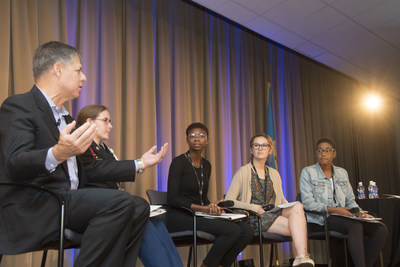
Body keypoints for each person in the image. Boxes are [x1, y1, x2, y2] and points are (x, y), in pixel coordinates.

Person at [0, 41, 164, 267]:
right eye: (78, 70)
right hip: (39, 203)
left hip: (69, 202)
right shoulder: (20, 105)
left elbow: (91, 169)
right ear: (58, 70)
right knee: (120, 203)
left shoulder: (67, 119)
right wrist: (56, 153)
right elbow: (14, 162)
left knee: (138, 206)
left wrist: (139, 163)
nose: (84, 77)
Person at [76, 104, 182, 267]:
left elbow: (114, 171)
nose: (110, 126)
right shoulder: (80, 145)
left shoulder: (106, 150)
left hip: (114, 206)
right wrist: (139, 164)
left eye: (110, 121)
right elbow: (96, 171)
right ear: (89, 122)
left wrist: (141, 164)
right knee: (142, 224)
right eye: (106, 121)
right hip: (95, 210)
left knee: (157, 224)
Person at [167, 122, 254, 267]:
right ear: (186, 139)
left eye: (201, 136)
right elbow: (172, 199)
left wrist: (213, 205)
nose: (197, 139)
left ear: (207, 140)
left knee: (246, 230)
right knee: (231, 231)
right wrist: (204, 209)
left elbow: (201, 197)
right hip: (179, 216)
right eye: (192, 136)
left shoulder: (206, 165)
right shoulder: (178, 162)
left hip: (199, 215)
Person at [225, 134, 314, 267]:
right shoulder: (243, 171)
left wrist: (297, 209)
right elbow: (229, 201)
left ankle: (300, 257)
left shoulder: (274, 173)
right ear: (251, 150)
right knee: (299, 228)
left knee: (297, 207)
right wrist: (254, 208)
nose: (260, 148)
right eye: (256, 145)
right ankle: (301, 258)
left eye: (264, 145)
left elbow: (281, 200)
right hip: (253, 218)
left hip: (271, 214)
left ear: (270, 150)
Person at [300, 137, 387, 267]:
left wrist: (359, 213)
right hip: (322, 219)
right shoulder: (308, 172)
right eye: (319, 150)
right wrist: (335, 210)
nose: (323, 154)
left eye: (327, 150)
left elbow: (350, 200)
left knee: (380, 229)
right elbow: (307, 203)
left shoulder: (342, 173)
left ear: (334, 153)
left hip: (345, 217)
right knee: (355, 227)